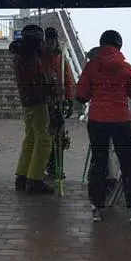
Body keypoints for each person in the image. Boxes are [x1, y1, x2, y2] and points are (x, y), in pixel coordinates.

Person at [76, 29, 131, 223]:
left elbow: (81, 94)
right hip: (121, 121)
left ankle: (97, 205)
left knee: (99, 161)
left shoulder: (92, 66)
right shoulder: (126, 68)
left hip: (98, 120)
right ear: (119, 45)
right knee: (128, 162)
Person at [11, 24, 56, 194]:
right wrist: (49, 87)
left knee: (30, 138)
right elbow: (37, 81)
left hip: (27, 101)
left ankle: (22, 175)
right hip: (37, 101)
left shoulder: (20, 55)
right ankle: (35, 179)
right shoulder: (30, 57)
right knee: (43, 139)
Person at [42, 27, 75, 180]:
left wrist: (69, 99)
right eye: (48, 40)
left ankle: (57, 167)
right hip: (44, 104)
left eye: (52, 40)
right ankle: (47, 166)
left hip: (58, 104)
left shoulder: (60, 58)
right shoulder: (40, 57)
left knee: (59, 138)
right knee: (45, 138)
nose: (50, 43)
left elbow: (68, 78)